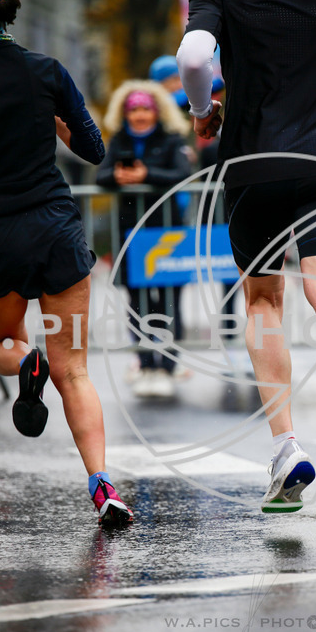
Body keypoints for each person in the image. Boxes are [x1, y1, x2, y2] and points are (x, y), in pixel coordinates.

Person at [177, 0, 316, 533]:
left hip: (255, 170)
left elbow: (195, 57)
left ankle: (286, 447)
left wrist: (204, 111)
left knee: (264, 303)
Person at [0, 0, 133, 528]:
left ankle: (26, 364)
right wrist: (56, 123)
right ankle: (103, 487)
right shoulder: (48, 70)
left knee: (1, 342)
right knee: (76, 371)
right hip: (56, 228)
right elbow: (93, 149)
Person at [96, 80, 192, 399]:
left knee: (168, 302)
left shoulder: (171, 139)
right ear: (124, 113)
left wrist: (145, 176)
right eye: (133, 110)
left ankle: (166, 365)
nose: (139, 116)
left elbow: (181, 174)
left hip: (165, 235)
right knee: (136, 304)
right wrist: (118, 177)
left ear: (156, 112)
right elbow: (101, 175)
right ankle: (145, 362)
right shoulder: (118, 140)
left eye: (144, 110)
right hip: (130, 235)